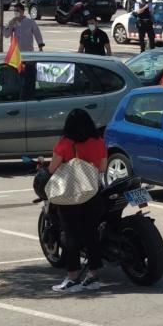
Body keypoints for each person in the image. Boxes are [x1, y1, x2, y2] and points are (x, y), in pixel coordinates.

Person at [45, 109, 107, 293]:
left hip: (71, 195)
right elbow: (103, 166)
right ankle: (93, 275)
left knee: (70, 235)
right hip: (93, 192)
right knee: (91, 233)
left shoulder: (65, 144)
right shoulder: (99, 142)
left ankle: (72, 277)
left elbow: (52, 169)